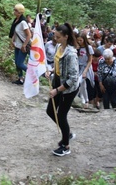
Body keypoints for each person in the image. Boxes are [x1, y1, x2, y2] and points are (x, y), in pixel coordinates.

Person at [45, 23, 79, 157]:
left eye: (58, 37)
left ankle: (66, 146)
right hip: (57, 82)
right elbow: (59, 65)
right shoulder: (59, 47)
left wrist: (57, 90)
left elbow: (73, 78)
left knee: (61, 115)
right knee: (50, 111)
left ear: (66, 37)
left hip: (68, 89)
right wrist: (52, 71)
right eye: (55, 35)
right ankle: (68, 133)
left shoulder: (71, 54)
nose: (55, 39)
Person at [8, 3, 31, 84]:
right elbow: (15, 31)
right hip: (17, 45)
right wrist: (13, 40)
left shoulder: (23, 22)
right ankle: (20, 79)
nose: (14, 11)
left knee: (19, 63)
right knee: (17, 63)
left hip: (23, 46)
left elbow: (29, 35)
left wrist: (24, 45)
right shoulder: (16, 20)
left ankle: (32, 74)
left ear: (20, 12)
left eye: (16, 10)